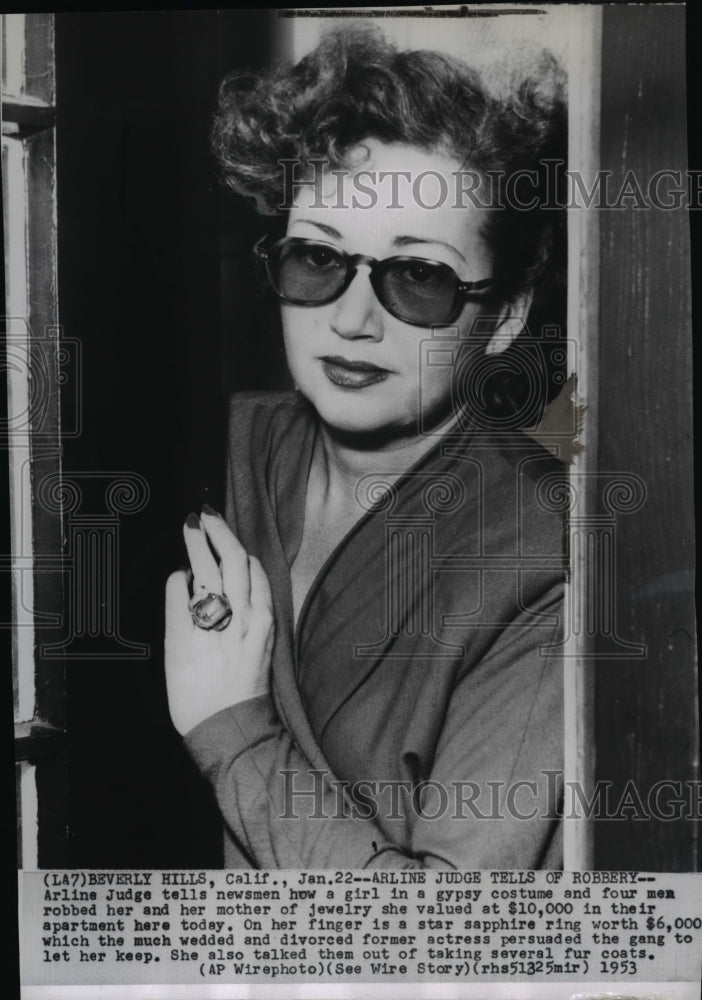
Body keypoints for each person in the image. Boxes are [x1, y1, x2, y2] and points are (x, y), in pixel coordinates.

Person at [165, 24, 567, 869]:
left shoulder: (545, 557)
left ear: (508, 314)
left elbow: (446, 944)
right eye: (317, 259)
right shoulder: (223, 449)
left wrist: (232, 731)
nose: (351, 321)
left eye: (417, 277)